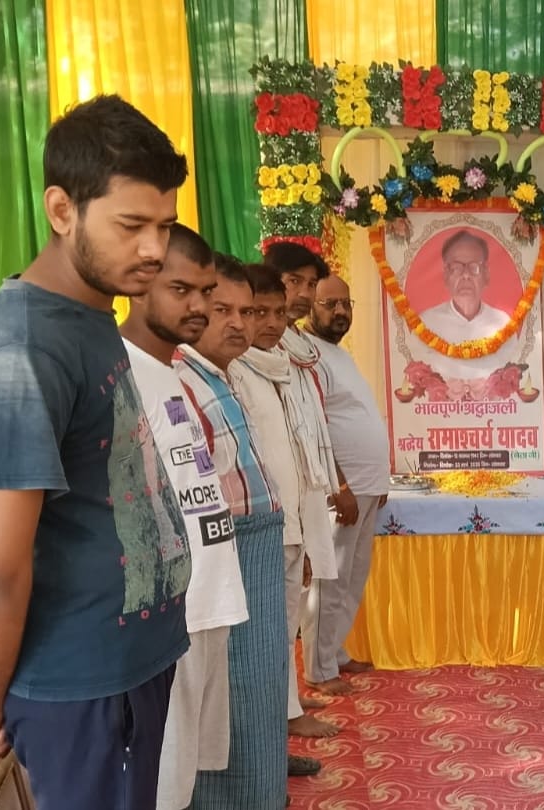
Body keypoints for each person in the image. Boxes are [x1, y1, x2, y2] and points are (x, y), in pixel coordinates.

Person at [0, 95, 191, 810]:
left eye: (164, 225)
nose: (154, 249)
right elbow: (2, 565)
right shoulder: (25, 345)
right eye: (132, 226)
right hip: (77, 681)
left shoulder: (89, 311)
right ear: (61, 210)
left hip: (129, 660)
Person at [120, 225, 249, 810]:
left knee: (182, 779)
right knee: (159, 784)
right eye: (181, 289)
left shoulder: (171, 371)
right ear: (138, 285)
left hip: (206, 605)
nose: (198, 306)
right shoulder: (118, 374)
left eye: (205, 291)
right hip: (164, 620)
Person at [177, 257, 288, 809]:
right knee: (231, 702)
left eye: (247, 311)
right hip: (223, 568)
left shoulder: (222, 376)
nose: (239, 324)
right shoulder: (179, 380)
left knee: (259, 694)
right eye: (223, 309)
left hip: (255, 561)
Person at [231, 263, 339, 759]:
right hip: (257, 527)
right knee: (265, 635)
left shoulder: (282, 366)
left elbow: (296, 452)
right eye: (259, 312)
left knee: (284, 627)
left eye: (278, 313)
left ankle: (285, 713)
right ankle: (274, 728)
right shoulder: (235, 371)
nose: (272, 323)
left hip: (291, 520)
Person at [301, 274, 392, 691]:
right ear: (310, 305)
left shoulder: (338, 353)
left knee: (352, 578)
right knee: (330, 579)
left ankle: (334, 652)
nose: (340, 311)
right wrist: (339, 486)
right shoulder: (308, 356)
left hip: (365, 486)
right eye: (330, 304)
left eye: (345, 303)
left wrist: (378, 478)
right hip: (342, 492)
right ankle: (319, 670)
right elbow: (314, 426)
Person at [262, 244, 345, 697]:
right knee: (273, 619)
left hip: (301, 498)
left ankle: (288, 706)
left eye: (310, 284)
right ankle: (281, 712)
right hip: (270, 506)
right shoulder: (252, 353)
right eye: (294, 281)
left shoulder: (297, 349)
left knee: (289, 612)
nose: (304, 293)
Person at [416, 229, 520, 380]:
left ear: (486, 274)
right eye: (457, 268)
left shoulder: (503, 324)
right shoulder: (426, 322)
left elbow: (512, 377)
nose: (466, 275)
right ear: (445, 275)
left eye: (473, 267)